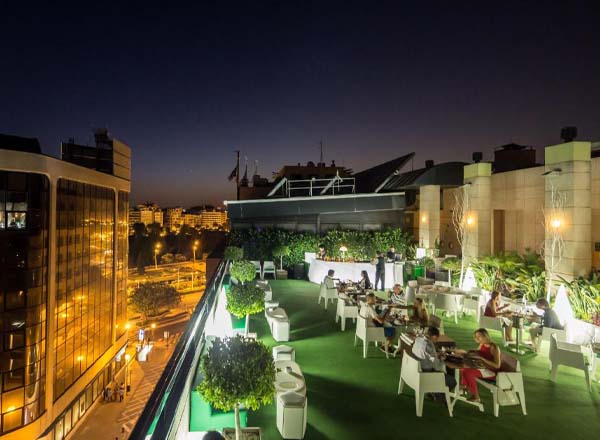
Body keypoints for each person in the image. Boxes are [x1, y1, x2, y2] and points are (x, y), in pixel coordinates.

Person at [459, 328, 502, 402]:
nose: (477, 338)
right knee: (463, 367)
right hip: (482, 367)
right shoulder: (482, 344)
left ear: (485, 336)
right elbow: (478, 352)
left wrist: (483, 360)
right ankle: (465, 386)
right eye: (476, 337)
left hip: (490, 371)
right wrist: (469, 352)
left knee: (468, 372)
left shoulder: (493, 347)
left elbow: (497, 365)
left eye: (479, 336)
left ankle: (476, 397)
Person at [412, 326, 457, 392]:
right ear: (434, 336)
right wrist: (442, 359)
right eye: (437, 338)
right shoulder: (429, 347)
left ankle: (437, 392)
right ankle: (438, 394)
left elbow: (426, 355)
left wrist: (436, 355)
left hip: (417, 369)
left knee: (447, 371)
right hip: (426, 374)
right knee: (452, 381)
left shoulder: (418, 339)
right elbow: (437, 367)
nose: (437, 340)